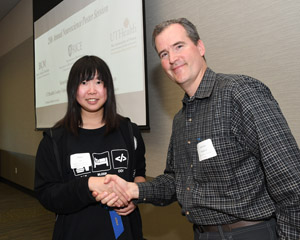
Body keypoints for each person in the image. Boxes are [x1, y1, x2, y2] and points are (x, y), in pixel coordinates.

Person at [95, 18, 300, 239]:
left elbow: (290, 180)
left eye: (179, 46)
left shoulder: (239, 93)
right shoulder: (181, 119)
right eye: (164, 54)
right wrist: (132, 190)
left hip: (251, 233)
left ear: (200, 47)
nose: (173, 59)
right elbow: (177, 182)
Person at [34, 55, 146, 240]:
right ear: (73, 89)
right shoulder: (55, 139)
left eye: (99, 82)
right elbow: (47, 195)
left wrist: (135, 196)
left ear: (108, 88)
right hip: (75, 232)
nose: (92, 91)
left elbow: (139, 175)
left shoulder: (128, 131)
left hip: (126, 232)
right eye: (84, 82)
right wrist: (88, 185)